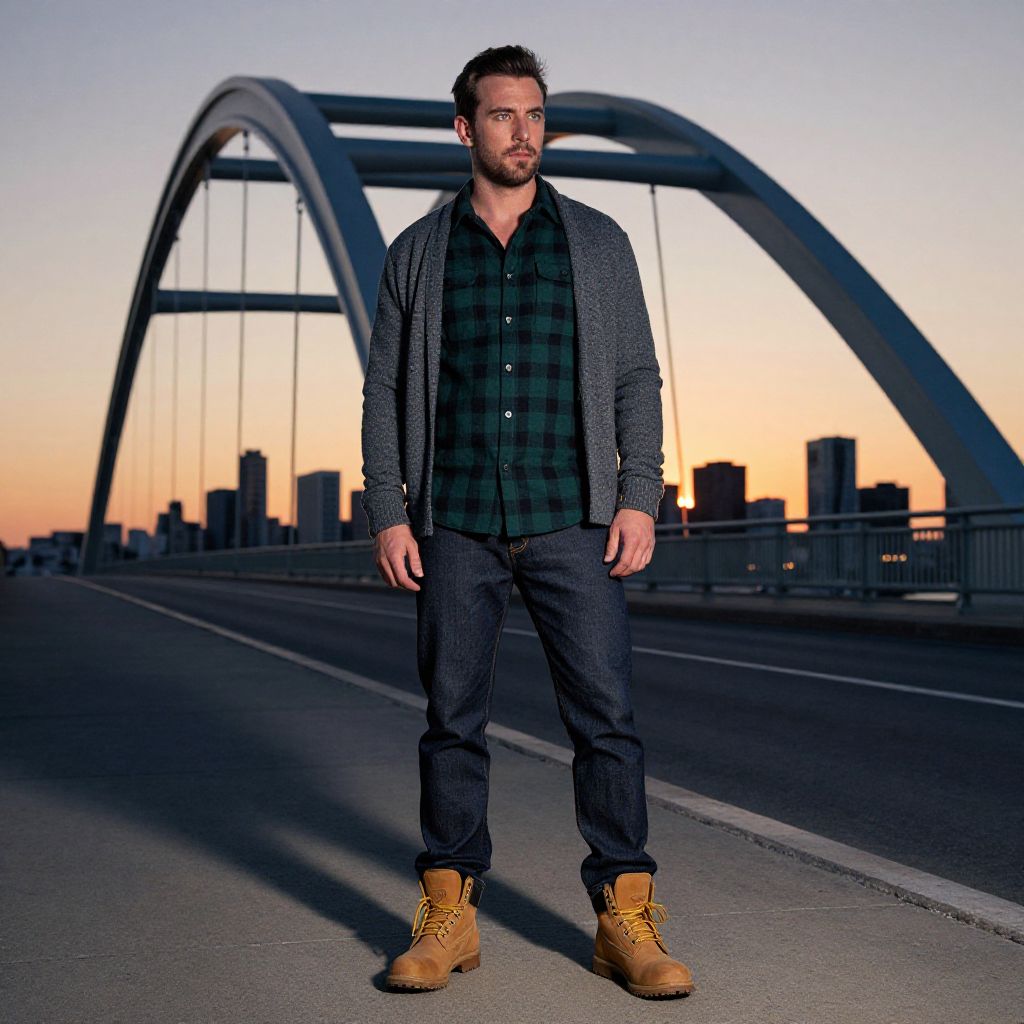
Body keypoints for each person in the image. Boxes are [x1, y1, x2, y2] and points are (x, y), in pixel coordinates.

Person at [359, 44, 695, 1000]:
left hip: (570, 521)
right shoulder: (417, 254)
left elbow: (637, 376)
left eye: (536, 115)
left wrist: (640, 497)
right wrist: (391, 510)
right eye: (503, 116)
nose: (525, 133)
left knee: (608, 721)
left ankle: (624, 919)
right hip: (455, 520)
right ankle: (450, 915)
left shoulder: (597, 242)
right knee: (452, 723)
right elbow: (385, 390)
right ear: (465, 128)